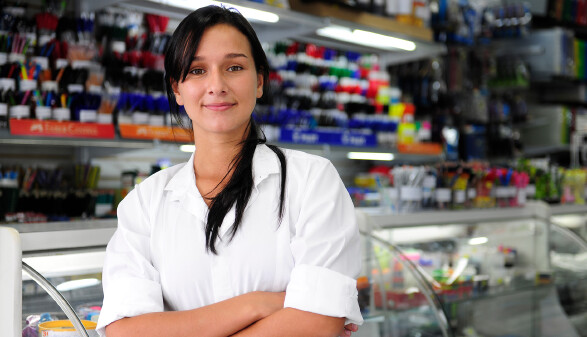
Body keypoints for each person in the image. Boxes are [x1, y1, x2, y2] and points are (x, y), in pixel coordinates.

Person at [96, 5, 363, 337]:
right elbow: (125, 331)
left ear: (260, 81)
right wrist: (256, 304)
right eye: (196, 71)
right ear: (177, 89)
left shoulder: (312, 181)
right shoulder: (145, 203)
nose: (216, 84)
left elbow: (318, 322)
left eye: (234, 67)